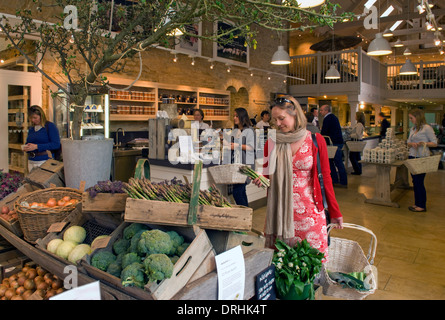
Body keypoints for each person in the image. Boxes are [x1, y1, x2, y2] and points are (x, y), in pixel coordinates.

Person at [252, 95, 343, 260]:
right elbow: (267, 175)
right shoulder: (271, 143)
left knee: (311, 266)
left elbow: (326, 178)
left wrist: (335, 211)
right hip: (279, 214)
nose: (278, 124)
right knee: (283, 267)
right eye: (275, 119)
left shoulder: (315, 140)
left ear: (295, 115)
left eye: (282, 118)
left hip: (310, 214)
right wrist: (260, 178)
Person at [406, 109, 437, 213]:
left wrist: (423, 143)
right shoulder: (413, 128)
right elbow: (408, 142)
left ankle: (421, 205)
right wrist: (412, 144)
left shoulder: (426, 128)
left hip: (421, 157)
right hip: (412, 156)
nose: (410, 120)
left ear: (417, 117)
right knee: (415, 181)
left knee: (419, 181)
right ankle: (417, 203)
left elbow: (434, 143)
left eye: (411, 118)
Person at [229, 107, 255, 207]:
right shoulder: (235, 130)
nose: (234, 118)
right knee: (241, 191)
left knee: (237, 193)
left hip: (245, 164)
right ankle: (247, 215)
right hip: (236, 164)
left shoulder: (249, 130)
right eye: (234, 116)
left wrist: (236, 145)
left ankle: (245, 215)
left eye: (237, 116)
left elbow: (251, 147)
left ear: (242, 117)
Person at [24, 105, 61, 172]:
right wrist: (27, 147)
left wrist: (37, 146)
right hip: (31, 161)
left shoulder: (50, 126)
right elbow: (29, 142)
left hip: (45, 161)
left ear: (41, 115)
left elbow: (56, 144)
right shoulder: (32, 128)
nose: (33, 120)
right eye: (31, 118)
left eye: (35, 118)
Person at [319, 104, 348, 188]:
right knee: (333, 162)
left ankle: (342, 181)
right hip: (337, 142)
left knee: (337, 162)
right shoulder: (333, 117)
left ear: (326, 110)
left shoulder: (328, 118)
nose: (320, 112)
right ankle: (336, 180)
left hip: (333, 144)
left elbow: (324, 132)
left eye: (321, 110)